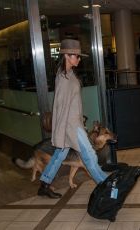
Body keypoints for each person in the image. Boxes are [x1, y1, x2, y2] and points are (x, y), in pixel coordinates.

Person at [38, 39, 108, 198]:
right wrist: (62, 131)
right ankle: (105, 184)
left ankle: (44, 184)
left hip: (73, 124)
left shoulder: (68, 74)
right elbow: (61, 107)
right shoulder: (64, 78)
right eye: (76, 56)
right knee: (89, 154)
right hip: (70, 126)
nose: (79, 58)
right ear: (67, 56)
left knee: (59, 155)